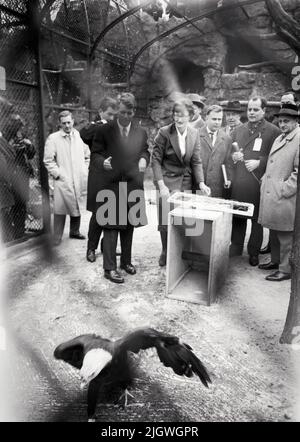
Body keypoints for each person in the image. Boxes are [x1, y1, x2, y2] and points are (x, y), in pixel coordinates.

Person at [89, 92, 150, 284]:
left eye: (129, 113)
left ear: (134, 112)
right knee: (110, 227)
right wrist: (102, 163)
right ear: (117, 111)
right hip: (111, 184)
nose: (126, 117)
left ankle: (126, 262)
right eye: (122, 113)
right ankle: (109, 268)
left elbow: (145, 151)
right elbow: (95, 154)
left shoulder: (141, 132)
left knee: (129, 226)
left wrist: (143, 159)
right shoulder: (104, 130)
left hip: (132, 185)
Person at [152, 98, 211, 267]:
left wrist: (201, 183)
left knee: (184, 219)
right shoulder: (164, 132)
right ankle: (165, 250)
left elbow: (196, 161)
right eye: (175, 115)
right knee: (165, 220)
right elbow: (155, 160)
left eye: (182, 116)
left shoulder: (194, 134)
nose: (178, 119)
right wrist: (161, 185)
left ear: (190, 116)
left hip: (185, 182)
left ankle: (179, 251)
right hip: (167, 181)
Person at [229, 96, 281, 266]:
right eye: (249, 109)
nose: (251, 112)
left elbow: (278, 157)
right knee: (238, 216)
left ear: (264, 111)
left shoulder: (273, 131)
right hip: (240, 182)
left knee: (256, 220)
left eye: (255, 109)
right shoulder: (238, 130)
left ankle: (253, 252)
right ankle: (236, 246)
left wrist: (260, 162)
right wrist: (234, 156)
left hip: (259, 183)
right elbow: (228, 155)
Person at [258, 103, 300, 281]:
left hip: (285, 196)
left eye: (286, 121)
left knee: (285, 235)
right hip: (273, 193)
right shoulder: (281, 137)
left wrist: (284, 189)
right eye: (280, 121)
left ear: (296, 121)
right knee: (274, 230)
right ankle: (275, 261)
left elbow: (298, 173)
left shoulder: (298, 139)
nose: (282, 124)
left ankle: (285, 269)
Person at [81, 97, 118, 263]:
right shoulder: (95, 126)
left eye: (113, 115)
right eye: (109, 114)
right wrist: (104, 125)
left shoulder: (116, 125)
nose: (112, 117)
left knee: (113, 211)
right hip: (98, 175)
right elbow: (84, 134)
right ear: (100, 112)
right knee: (98, 213)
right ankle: (91, 248)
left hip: (113, 175)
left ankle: (106, 246)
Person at [44, 110, 89, 246]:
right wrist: (58, 174)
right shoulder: (53, 138)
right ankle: (57, 236)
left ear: (73, 121)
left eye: (69, 122)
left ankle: (74, 231)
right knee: (60, 208)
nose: (67, 126)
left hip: (78, 177)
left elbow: (87, 155)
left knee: (77, 204)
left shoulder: (78, 135)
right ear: (60, 123)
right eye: (64, 123)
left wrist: (84, 169)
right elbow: (48, 160)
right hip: (63, 178)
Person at [6, 114, 36, 239]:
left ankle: (20, 231)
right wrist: (12, 147)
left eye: (19, 125)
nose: (18, 128)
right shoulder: (5, 137)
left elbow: (30, 155)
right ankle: (10, 232)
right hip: (9, 174)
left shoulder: (22, 136)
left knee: (22, 202)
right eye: (16, 125)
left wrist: (29, 146)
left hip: (22, 173)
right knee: (10, 203)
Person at [199, 104, 233, 198]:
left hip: (216, 188)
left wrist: (228, 179)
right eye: (214, 119)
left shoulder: (227, 139)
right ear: (206, 118)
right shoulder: (195, 135)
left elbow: (228, 162)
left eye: (219, 119)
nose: (217, 122)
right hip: (198, 187)